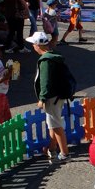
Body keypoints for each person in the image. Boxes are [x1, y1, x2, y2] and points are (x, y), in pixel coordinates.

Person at [30, 31, 72, 163]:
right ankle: (52, 148)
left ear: (38, 45)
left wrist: (42, 98)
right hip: (59, 94)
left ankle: (65, 153)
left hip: (51, 97)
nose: (33, 47)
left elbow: (45, 81)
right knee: (52, 124)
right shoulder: (54, 56)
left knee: (56, 124)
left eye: (33, 44)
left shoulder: (45, 61)